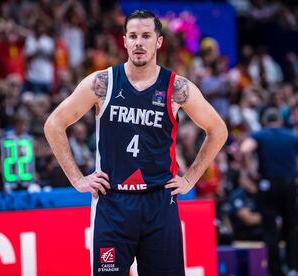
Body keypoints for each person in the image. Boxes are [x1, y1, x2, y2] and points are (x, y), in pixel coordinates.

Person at [44, 10, 227, 276]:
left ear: (159, 41)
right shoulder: (102, 83)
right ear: (125, 41)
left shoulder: (177, 87)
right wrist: (77, 179)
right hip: (113, 202)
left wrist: (190, 179)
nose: (139, 42)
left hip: (160, 203)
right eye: (133, 36)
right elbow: (54, 124)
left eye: (145, 36)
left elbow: (218, 130)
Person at [240, 108, 298, 276]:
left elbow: (245, 149)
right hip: (289, 184)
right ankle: (293, 268)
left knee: (270, 228)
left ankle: (275, 271)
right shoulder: (292, 135)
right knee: (291, 227)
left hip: (269, 184)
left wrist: (251, 170)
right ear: (280, 121)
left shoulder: (260, 134)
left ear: (265, 121)